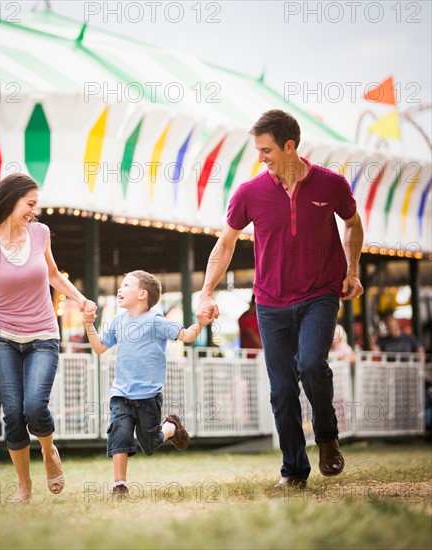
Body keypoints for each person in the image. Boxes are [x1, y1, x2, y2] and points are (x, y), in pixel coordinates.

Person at [196, 110, 364, 489]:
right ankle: (294, 470)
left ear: (290, 146)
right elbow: (225, 244)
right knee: (282, 389)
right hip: (270, 302)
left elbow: (352, 224)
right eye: (258, 150)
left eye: (267, 149)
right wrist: (206, 291)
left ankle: (326, 437)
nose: (261, 157)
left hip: (320, 294)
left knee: (310, 364)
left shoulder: (331, 185)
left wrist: (351, 270)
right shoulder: (249, 193)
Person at [0, 173, 97, 503]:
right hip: (0, 339)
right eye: (30, 204)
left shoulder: (40, 234)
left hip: (42, 335)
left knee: (34, 406)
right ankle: (24, 486)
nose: (34, 211)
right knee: (12, 413)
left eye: (35, 205)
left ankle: (49, 450)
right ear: (11, 200)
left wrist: (80, 299)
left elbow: (54, 274)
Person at [82, 270, 212, 500]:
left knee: (149, 444)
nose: (119, 289)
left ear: (142, 294)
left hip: (149, 397)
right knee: (119, 435)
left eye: (125, 285)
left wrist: (200, 324)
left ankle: (171, 427)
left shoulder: (156, 321)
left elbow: (186, 336)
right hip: (121, 394)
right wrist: (88, 323)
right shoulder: (118, 321)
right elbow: (100, 347)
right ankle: (119, 486)